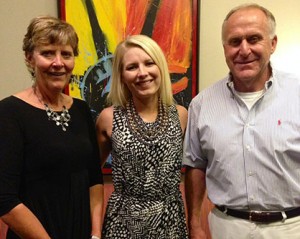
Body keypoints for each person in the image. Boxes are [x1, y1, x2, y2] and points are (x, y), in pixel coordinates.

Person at [183, 3, 300, 239]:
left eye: (254, 39)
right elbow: (196, 165)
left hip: (291, 227)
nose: (244, 50)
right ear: (225, 47)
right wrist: (194, 223)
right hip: (227, 227)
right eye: (235, 42)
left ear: (273, 43)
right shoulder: (202, 104)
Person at [0, 16, 104, 239]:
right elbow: (5, 199)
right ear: (30, 58)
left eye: (66, 54)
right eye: (48, 53)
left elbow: (94, 179)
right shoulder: (9, 112)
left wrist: (95, 235)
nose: (58, 63)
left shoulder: (81, 109)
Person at [96, 34, 188, 238]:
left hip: (170, 222)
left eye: (149, 63)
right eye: (132, 67)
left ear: (160, 68)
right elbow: (91, 175)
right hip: (123, 223)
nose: (142, 73)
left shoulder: (181, 115)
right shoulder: (108, 118)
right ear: (121, 75)